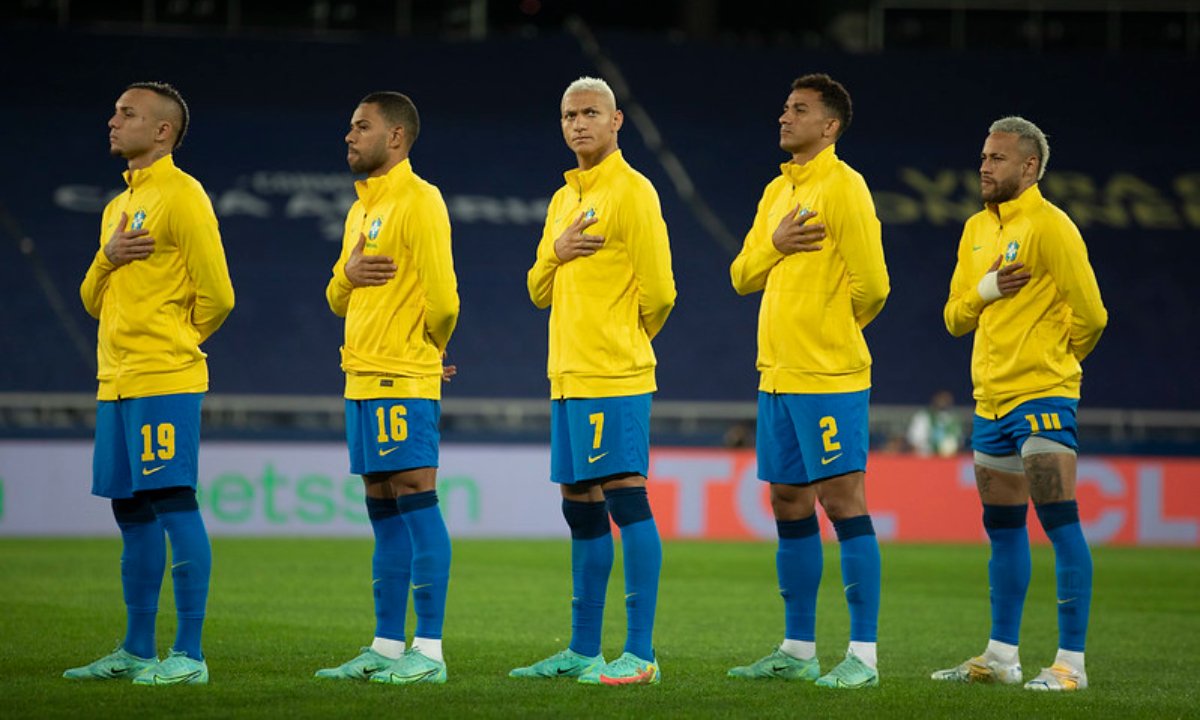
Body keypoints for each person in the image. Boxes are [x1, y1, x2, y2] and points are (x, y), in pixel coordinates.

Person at [65, 82, 235, 686]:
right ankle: (137, 649)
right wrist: (106, 256)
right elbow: (91, 300)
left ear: (162, 131)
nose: (113, 121)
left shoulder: (183, 195)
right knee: (130, 509)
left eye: (127, 113)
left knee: (172, 502)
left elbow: (219, 294)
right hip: (114, 381)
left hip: (163, 376)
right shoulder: (118, 208)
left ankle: (188, 655)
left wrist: (176, 340)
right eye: (114, 110)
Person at [509, 76, 676, 686]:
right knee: (580, 506)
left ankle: (641, 654)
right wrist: (554, 251)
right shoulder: (562, 201)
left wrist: (624, 340)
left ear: (615, 122)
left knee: (626, 496)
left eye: (590, 113)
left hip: (613, 371)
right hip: (567, 375)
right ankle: (582, 650)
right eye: (568, 115)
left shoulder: (634, 192)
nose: (578, 123)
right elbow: (535, 289)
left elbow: (660, 292)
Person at [932, 116, 1107, 692]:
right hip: (989, 403)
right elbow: (954, 316)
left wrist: (1053, 362)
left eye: (998, 158)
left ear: (1029, 167)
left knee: (1059, 522)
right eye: (983, 156)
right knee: (1003, 529)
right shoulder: (975, 229)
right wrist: (987, 289)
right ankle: (1001, 657)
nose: (984, 165)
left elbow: (1092, 316)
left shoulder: (1052, 227)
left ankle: (1070, 665)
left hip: (1043, 397)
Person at [728, 73, 889, 690]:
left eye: (798, 110)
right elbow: (743, 274)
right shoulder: (776, 192)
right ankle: (797, 650)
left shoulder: (845, 188)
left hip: (828, 374)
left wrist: (829, 328)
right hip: (776, 373)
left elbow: (873, 285)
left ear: (830, 126)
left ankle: (864, 657)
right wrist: (774, 243)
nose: (783, 117)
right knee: (788, 502)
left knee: (843, 503)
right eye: (784, 106)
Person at [315, 92, 460, 686]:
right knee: (381, 504)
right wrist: (343, 276)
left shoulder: (420, 200)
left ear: (396, 137)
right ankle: (384, 644)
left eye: (362, 126)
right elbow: (335, 298)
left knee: (414, 495)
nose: (349, 135)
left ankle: (428, 650)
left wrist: (428, 351)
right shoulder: (359, 211)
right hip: (359, 374)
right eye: (350, 125)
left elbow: (444, 298)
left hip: (401, 374)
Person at [906, 390, 964, 457]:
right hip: (926, 458)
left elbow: (959, 442)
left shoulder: (953, 419)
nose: (943, 401)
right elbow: (914, 440)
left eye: (946, 399)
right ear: (935, 399)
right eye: (941, 398)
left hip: (948, 459)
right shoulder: (923, 417)